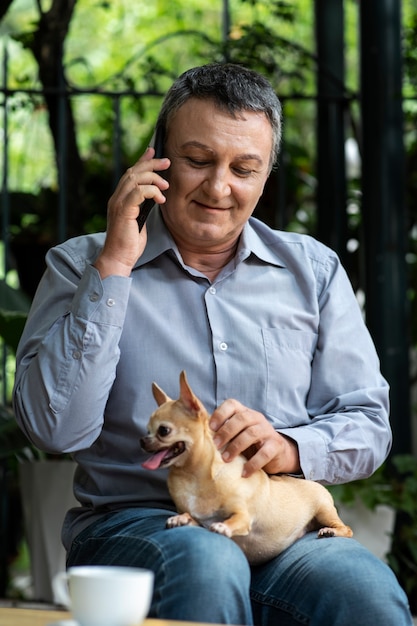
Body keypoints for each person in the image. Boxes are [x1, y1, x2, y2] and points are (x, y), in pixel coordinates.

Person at [13, 63, 413, 625]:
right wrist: (115, 267)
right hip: (137, 524)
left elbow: (368, 422)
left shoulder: (314, 272)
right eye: (198, 160)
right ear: (159, 159)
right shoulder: (81, 266)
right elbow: (53, 428)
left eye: (244, 168)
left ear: (265, 176)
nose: (219, 187)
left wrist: (290, 449)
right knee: (207, 560)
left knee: (363, 591)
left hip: (275, 524)